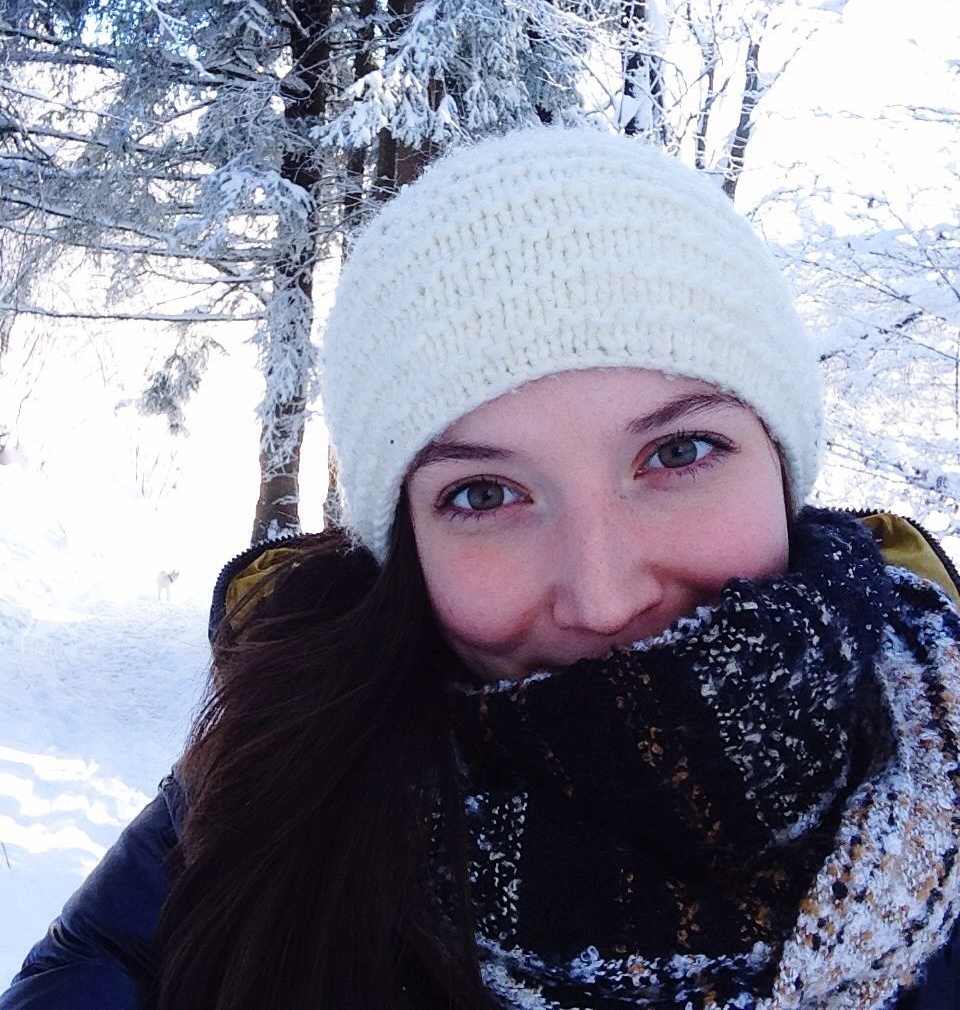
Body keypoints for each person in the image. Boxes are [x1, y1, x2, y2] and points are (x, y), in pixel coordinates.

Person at [4, 128, 960, 1010]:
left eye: (678, 455)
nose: (604, 596)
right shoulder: (281, 783)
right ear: (407, 543)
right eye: (482, 494)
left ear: (786, 466)